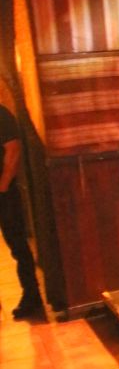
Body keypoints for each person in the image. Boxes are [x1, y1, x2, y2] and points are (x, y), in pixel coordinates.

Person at [0, 102, 43, 319]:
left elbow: (13, 149)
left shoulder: (1, 114)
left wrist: (3, 185)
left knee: (17, 244)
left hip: (4, 193)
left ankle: (31, 295)